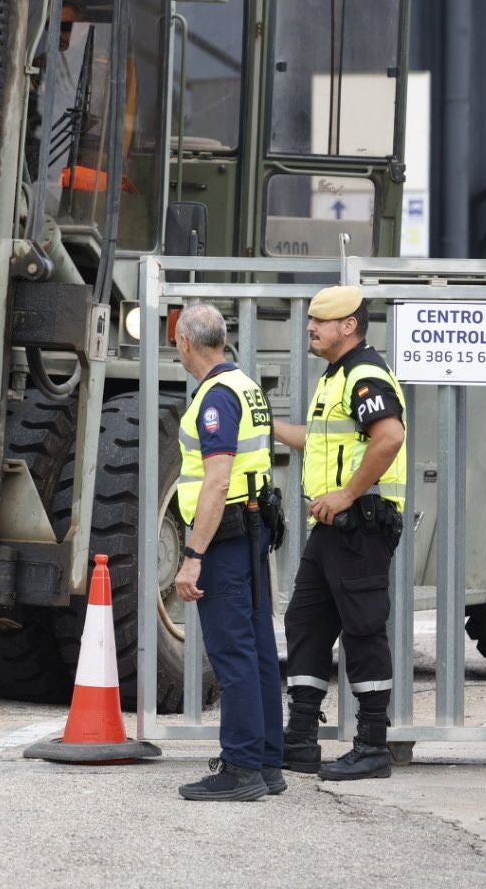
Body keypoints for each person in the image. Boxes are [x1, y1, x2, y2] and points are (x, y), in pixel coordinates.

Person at [272, 284, 408, 782]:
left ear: (348, 326)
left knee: (364, 631)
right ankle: (301, 739)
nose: (311, 327)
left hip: (360, 525)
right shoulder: (335, 379)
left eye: (320, 321)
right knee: (305, 623)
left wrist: (347, 494)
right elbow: (321, 439)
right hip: (331, 528)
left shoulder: (365, 373)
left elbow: (389, 436)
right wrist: (271, 425)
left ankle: (373, 746)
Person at [171, 302, 284, 802]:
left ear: (185, 342)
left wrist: (193, 553)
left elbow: (216, 483)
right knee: (257, 650)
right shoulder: (246, 386)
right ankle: (266, 762)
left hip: (225, 537)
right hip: (253, 531)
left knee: (233, 652)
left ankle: (240, 768)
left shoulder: (216, 398)